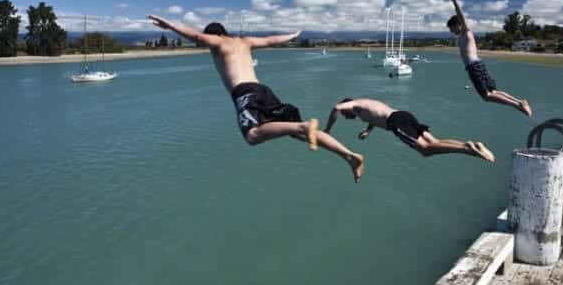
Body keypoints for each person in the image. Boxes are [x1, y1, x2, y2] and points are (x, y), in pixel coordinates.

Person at [148, 16, 364, 182]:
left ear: (214, 35)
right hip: (263, 90)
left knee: (252, 135)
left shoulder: (217, 42)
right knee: (303, 134)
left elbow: (195, 36)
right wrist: (292, 35)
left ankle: (304, 125)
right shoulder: (244, 41)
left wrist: (168, 25)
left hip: (245, 93)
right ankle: (349, 156)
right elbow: (271, 40)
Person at [447, 0, 533, 117]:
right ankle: (519, 101)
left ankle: (517, 105)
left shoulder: (466, 31)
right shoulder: (462, 36)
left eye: (451, 28)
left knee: (487, 96)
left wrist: (454, 0)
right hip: (478, 65)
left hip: (474, 67)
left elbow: (461, 16)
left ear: (458, 25)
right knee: (493, 91)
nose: (451, 31)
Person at [324, 98, 495, 162]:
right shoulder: (366, 106)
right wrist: (368, 131)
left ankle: (469, 150)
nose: (346, 118)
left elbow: (336, 107)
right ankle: (470, 145)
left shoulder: (354, 105)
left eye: (346, 116)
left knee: (426, 151)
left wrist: (327, 130)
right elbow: (375, 117)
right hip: (403, 114)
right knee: (434, 142)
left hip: (396, 122)